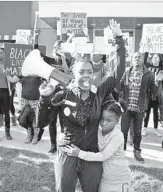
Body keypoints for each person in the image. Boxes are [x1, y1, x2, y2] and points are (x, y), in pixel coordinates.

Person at [33, 19, 125, 192]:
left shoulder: (99, 93)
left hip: (91, 154)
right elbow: (41, 123)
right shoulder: (63, 94)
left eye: (89, 72)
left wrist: (119, 39)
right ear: (73, 73)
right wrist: (44, 99)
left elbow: (118, 72)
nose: (86, 76)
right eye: (81, 72)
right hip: (67, 153)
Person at [63, 100, 131, 192]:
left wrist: (79, 153)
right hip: (105, 178)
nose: (104, 123)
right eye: (102, 119)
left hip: (120, 177)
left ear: (117, 120)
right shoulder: (98, 129)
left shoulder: (118, 136)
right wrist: (62, 136)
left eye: (109, 120)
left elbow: (103, 156)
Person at [119, 52, 157, 163]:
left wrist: (157, 81)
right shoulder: (127, 72)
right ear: (132, 59)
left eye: (139, 57)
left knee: (137, 132)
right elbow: (120, 86)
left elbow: (154, 92)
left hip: (139, 108)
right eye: (135, 57)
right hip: (127, 107)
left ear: (142, 60)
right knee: (123, 131)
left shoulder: (148, 74)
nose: (137, 59)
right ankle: (122, 151)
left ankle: (136, 151)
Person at [142, 53, 163, 137]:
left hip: (157, 93)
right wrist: (146, 52)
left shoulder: (162, 67)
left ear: (159, 59)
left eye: (157, 57)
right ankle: (144, 128)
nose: (155, 59)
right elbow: (143, 62)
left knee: (156, 112)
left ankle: (155, 129)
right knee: (146, 112)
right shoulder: (147, 66)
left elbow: (161, 78)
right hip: (148, 93)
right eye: (154, 57)